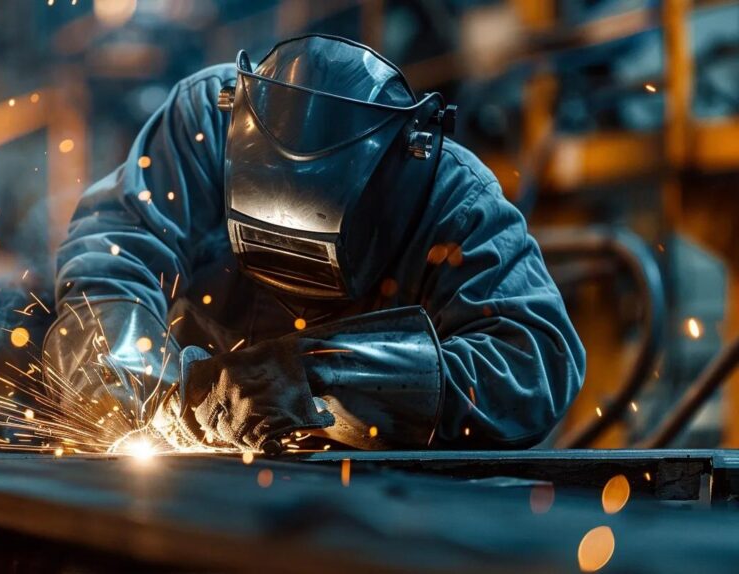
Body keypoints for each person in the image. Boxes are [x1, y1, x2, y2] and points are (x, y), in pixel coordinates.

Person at [44, 34, 584, 453]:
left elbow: (535, 364)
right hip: (194, 472)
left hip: (372, 500)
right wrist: (137, 398)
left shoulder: (451, 197)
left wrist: (323, 376)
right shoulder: (208, 126)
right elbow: (112, 258)